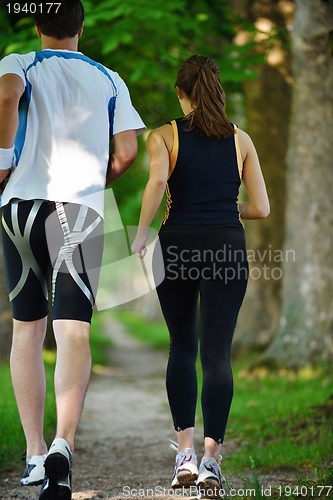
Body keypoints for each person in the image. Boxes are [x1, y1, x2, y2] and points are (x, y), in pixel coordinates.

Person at [0, 1, 145, 499]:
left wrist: (3, 162)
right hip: (79, 212)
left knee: (27, 330)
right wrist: (92, 183)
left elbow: (5, 96)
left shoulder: (18, 61)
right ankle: (64, 443)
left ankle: (35, 454)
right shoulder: (110, 78)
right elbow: (127, 151)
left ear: (37, 26)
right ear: (81, 27)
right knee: (73, 330)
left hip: (19, 204)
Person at [131, 55, 269, 497]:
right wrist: (228, 209)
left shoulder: (163, 136)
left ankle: (184, 453)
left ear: (180, 92)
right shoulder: (240, 139)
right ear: (217, 90)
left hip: (177, 245)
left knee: (181, 346)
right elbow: (262, 208)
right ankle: (212, 460)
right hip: (227, 244)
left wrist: (140, 235)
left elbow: (156, 184)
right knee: (217, 352)